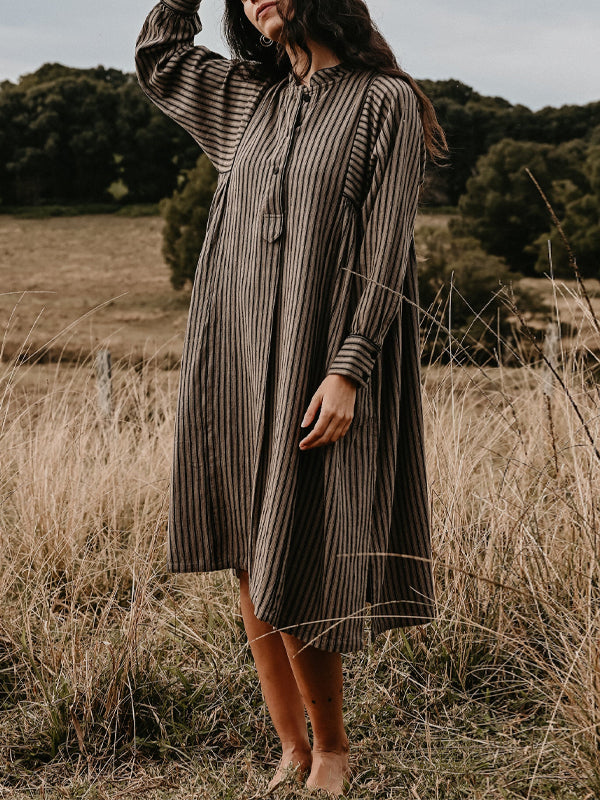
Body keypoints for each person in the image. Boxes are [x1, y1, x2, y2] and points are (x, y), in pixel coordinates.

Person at [136, 0, 447, 794]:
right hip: (235, 351)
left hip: (320, 356)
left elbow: (386, 248)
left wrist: (348, 367)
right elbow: (162, 60)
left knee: (300, 540)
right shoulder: (252, 98)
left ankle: (334, 748)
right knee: (248, 544)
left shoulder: (385, 100)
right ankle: (291, 747)